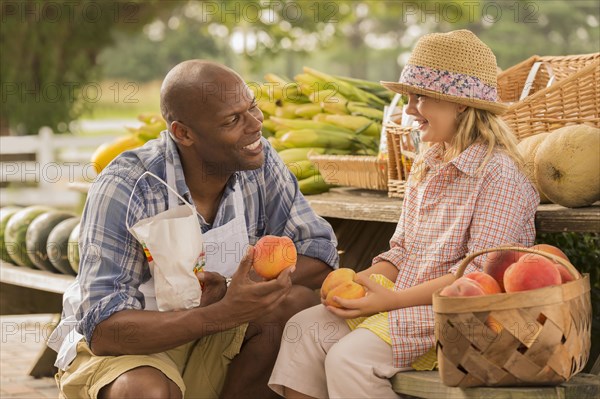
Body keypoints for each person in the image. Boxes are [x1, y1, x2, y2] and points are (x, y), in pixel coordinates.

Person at [268, 30, 540, 398]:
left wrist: (389, 301)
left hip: (460, 315)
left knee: (350, 359)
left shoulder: (498, 174)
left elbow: (478, 279)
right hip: (408, 300)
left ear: (459, 104)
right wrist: (360, 284)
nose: (409, 110)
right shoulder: (427, 162)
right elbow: (403, 251)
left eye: (420, 98)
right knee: (303, 330)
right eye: (408, 98)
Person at [48, 60, 339, 399]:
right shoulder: (128, 185)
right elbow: (105, 331)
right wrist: (223, 311)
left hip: (213, 333)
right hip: (132, 350)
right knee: (145, 391)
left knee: (295, 306)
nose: (255, 124)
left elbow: (318, 250)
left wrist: (232, 288)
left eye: (252, 107)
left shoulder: (256, 160)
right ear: (182, 133)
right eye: (233, 119)